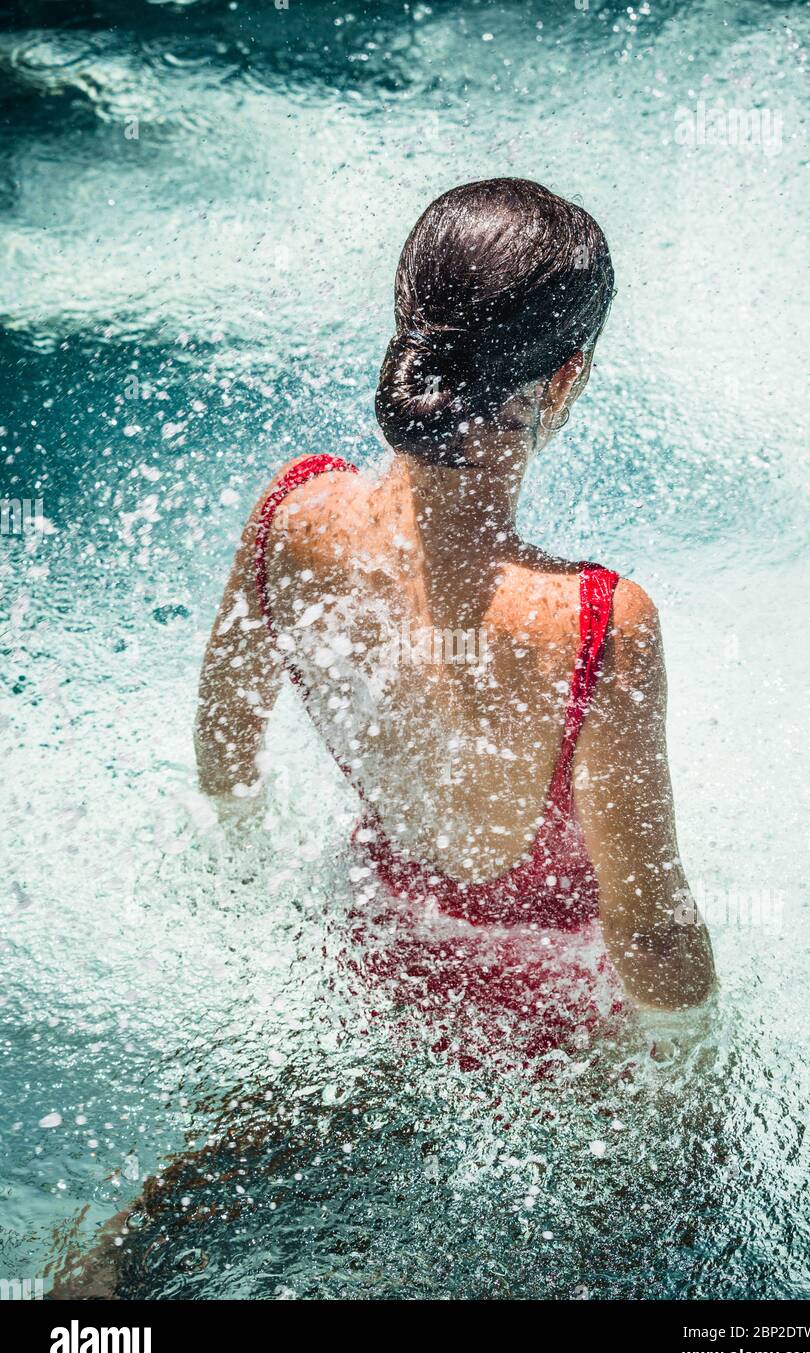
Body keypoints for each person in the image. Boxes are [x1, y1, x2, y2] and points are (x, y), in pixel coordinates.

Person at [195, 177, 715, 1015]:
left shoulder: (290, 515)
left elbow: (225, 751)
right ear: (564, 378)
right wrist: (696, 1107)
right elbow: (650, 930)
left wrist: (253, 888)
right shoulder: (594, 621)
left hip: (366, 977)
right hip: (556, 1023)